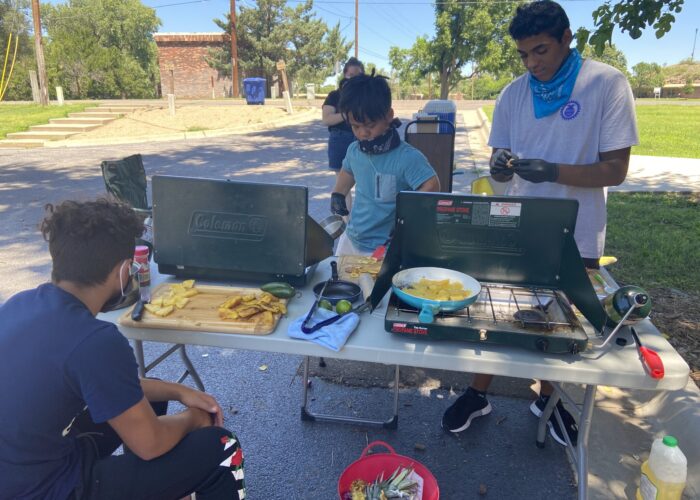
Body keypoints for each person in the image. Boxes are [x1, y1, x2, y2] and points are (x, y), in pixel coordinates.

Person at [443, 0, 638, 446]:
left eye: (542, 51)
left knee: (560, 320)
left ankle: (547, 399)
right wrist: (500, 166)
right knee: (497, 309)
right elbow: (498, 170)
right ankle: (479, 393)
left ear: (567, 39)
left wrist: (553, 172)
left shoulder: (605, 84)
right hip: (518, 222)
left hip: (578, 227)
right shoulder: (514, 93)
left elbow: (615, 170)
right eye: (524, 54)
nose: (533, 63)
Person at [0, 199, 245, 500]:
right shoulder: (95, 340)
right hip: (49, 489)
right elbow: (150, 443)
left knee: (143, 401)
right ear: (124, 270)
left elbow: (113, 384)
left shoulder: (19, 305)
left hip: (21, 471)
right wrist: (194, 419)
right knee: (221, 447)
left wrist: (178, 391)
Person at [330, 72, 440, 256]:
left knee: (373, 285)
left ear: (388, 115)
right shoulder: (354, 150)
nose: (362, 133)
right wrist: (338, 193)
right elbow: (348, 171)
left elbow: (432, 185)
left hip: (385, 247)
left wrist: (408, 215)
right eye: (355, 126)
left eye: (370, 125)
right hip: (352, 238)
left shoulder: (407, 157)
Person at [322, 57, 365, 213]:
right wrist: (347, 115)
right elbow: (326, 119)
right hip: (340, 140)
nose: (354, 79)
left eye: (358, 76)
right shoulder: (334, 96)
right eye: (351, 75)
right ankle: (345, 224)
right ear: (345, 75)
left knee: (365, 182)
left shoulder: (366, 96)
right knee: (342, 185)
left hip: (362, 139)